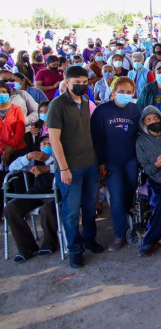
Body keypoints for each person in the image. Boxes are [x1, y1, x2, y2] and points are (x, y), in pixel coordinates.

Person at [46, 65, 103, 268]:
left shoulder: (86, 100)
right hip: (70, 168)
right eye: (76, 83)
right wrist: (63, 168)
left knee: (90, 207)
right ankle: (75, 249)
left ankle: (89, 240)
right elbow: (54, 139)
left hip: (90, 163)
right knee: (71, 211)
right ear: (67, 81)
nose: (81, 86)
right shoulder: (57, 105)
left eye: (84, 82)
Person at [90, 77, 142, 252]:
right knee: (117, 198)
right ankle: (120, 234)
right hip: (111, 163)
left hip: (131, 160)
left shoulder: (135, 110)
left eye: (129, 92)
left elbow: (141, 134)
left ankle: (132, 227)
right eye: (121, 91)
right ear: (113, 92)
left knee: (130, 196)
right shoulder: (102, 111)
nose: (125, 95)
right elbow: (96, 138)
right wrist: (101, 162)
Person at [4, 134, 59, 262]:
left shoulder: (59, 157)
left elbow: (66, 169)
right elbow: (12, 168)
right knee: (11, 208)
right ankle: (27, 247)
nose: (46, 146)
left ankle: (50, 243)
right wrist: (28, 157)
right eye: (43, 144)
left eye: (49, 144)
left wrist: (47, 169)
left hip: (53, 193)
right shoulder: (35, 160)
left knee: (47, 209)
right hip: (35, 193)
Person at [135, 106, 161, 257]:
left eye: (156, 118)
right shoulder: (141, 141)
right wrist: (157, 165)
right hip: (157, 181)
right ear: (144, 123)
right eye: (148, 119)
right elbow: (145, 168)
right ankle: (152, 238)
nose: (153, 121)